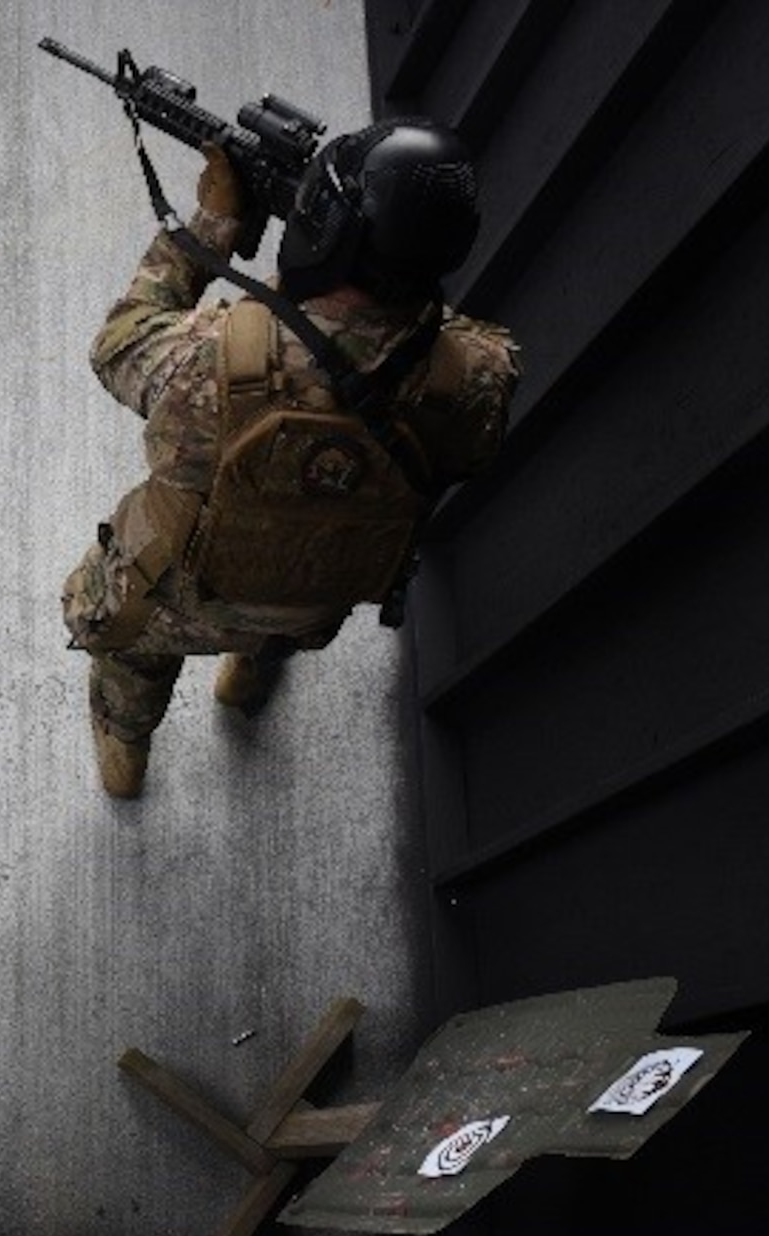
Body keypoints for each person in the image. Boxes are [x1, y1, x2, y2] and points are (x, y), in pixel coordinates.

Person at [61, 116, 522, 798]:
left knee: (129, 651)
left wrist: (215, 221)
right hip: (314, 596)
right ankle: (245, 674)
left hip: (181, 590)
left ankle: (126, 758)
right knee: (281, 589)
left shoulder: (207, 359)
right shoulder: (481, 377)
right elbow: (456, 418)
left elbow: (119, 342)